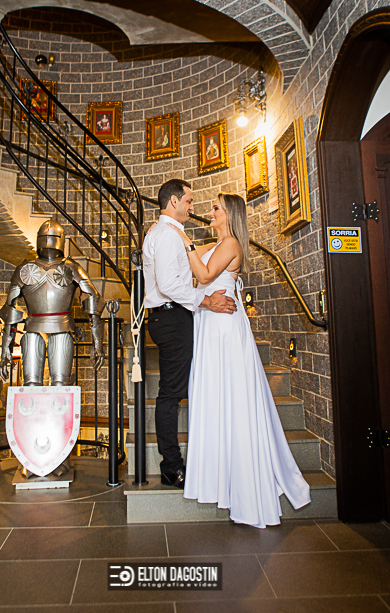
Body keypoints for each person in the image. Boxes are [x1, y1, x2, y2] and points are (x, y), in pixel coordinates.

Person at [167, 193, 311, 527]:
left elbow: (204, 276)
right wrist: (171, 237)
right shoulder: (217, 244)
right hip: (209, 325)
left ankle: (248, 491)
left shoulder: (231, 244)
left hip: (224, 330)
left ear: (230, 214)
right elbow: (187, 261)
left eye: (216, 208)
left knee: (233, 397)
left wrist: (187, 242)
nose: (210, 212)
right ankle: (225, 480)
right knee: (217, 398)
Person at [143, 179, 237, 489]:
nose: (192, 207)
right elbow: (169, 284)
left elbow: (193, 256)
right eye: (188, 201)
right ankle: (172, 467)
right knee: (171, 394)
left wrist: (214, 246)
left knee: (175, 391)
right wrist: (206, 300)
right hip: (172, 317)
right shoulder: (167, 235)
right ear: (173, 201)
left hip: (168, 317)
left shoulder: (166, 233)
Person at [0, 219, 106, 476]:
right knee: (36, 392)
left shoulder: (66, 267)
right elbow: (10, 311)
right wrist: (98, 343)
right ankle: (34, 457)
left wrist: (5, 349)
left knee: (57, 392)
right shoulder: (36, 268)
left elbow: (93, 302)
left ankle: (57, 456)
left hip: (54, 329)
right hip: (40, 330)